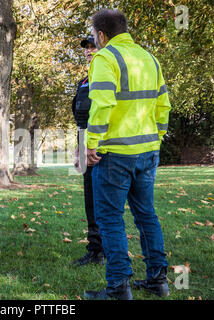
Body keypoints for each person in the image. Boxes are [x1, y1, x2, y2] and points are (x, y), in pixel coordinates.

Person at [83, 9, 171, 300]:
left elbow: (102, 105)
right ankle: (158, 280)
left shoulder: (105, 58)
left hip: (115, 155)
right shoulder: (150, 59)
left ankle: (119, 288)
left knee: (110, 220)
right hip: (147, 153)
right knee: (146, 216)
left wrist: (91, 144)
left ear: (102, 35)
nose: (94, 40)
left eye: (94, 35)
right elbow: (163, 106)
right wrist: (156, 139)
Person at [71, 36, 105, 266]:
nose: (89, 50)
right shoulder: (84, 81)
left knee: (106, 204)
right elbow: (81, 117)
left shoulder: (108, 76)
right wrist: (79, 146)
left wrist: (94, 146)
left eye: (93, 45)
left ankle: (109, 251)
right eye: (86, 47)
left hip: (104, 147)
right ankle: (95, 250)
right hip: (86, 146)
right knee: (91, 201)